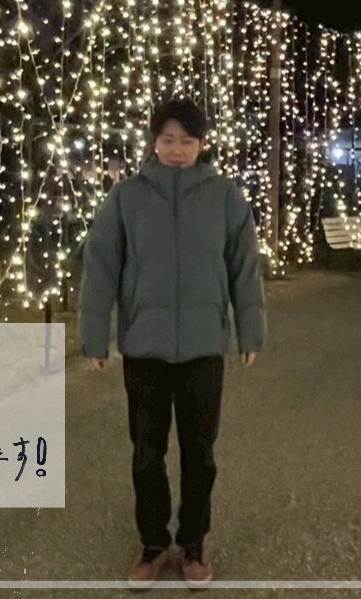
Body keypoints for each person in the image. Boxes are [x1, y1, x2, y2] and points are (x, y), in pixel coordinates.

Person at [79, 98, 266, 590]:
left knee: (200, 452)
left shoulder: (225, 196)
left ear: (202, 144)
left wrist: (251, 330)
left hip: (204, 347)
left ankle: (194, 543)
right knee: (147, 452)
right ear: (153, 143)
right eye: (167, 140)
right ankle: (153, 544)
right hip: (145, 347)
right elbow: (101, 266)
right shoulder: (127, 197)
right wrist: (94, 337)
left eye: (186, 140)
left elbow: (244, 266)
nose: (177, 149)